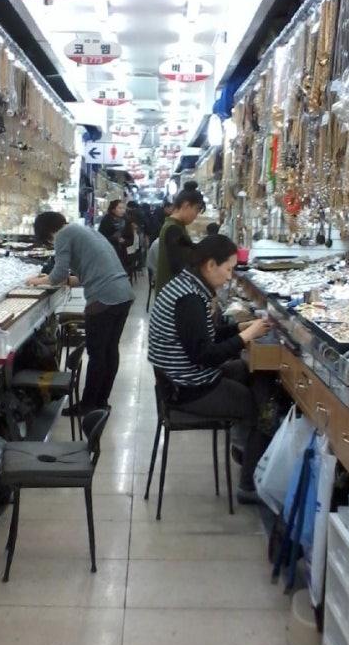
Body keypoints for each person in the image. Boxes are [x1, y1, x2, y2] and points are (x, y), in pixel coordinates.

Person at [148, 234, 272, 503]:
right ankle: (248, 485)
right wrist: (246, 336)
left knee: (252, 373)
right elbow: (204, 355)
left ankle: (244, 449)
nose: (229, 277)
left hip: (182, 377)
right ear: (210, 265)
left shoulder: (187, 285)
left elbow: (203, 336)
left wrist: (237, 328)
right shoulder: (190, 298)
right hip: (189, 387)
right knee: (262, 410)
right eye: (228, 269)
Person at [26, 212, 135, 412]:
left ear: (47, 233)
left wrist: (37, 280)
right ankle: (101, 401)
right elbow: (87, 274)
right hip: (122, 293)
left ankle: (88, 404)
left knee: (97, 354)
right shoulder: (84, 231)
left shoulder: (63, 234)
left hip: (104, 298)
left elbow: (58, 273)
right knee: (109, 350)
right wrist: (67, 281)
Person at [154, 181, 205, 296]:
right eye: (196, 210)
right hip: (171, 295)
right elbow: (178, 266)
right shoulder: (173, 229)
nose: (196, 216)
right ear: (186, 205)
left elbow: (187, 247)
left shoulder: (175, 226)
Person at [98, 199, 134, 274]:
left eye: (123, 208)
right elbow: (100, 237)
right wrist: (114, 239)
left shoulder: (126, 221)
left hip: (122, 254)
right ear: (113, 209)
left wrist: (124, 241)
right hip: (108, 253)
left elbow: (131, 240)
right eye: (119, 208)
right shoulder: (106, 221)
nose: (122, 211)